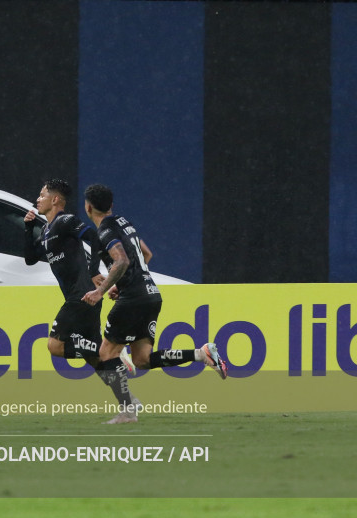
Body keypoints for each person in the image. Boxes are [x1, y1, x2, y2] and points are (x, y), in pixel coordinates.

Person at [82, 184, 227, 420]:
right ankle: (201, 354)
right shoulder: (124, 223)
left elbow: (121, 261)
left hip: (134, 299)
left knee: (106, 353)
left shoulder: (105, 231)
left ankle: (128, 410)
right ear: (111, 206)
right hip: (150, 294)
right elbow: (146, 254)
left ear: (88, 207)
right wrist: (126, 283)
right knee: (142, 359)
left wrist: (101, 291)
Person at [24, 179, 139, 424]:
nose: (38, 199)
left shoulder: (65, 221)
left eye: (42, 195)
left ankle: (117, 363)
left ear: (55, 200)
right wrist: (28, 227)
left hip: (82, 296)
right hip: (82, 298)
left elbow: (94, 236)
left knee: (55, 346)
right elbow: (30, 259)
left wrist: (94, 269)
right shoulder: (47, 229)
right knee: (94, 359)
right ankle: (128, 406)